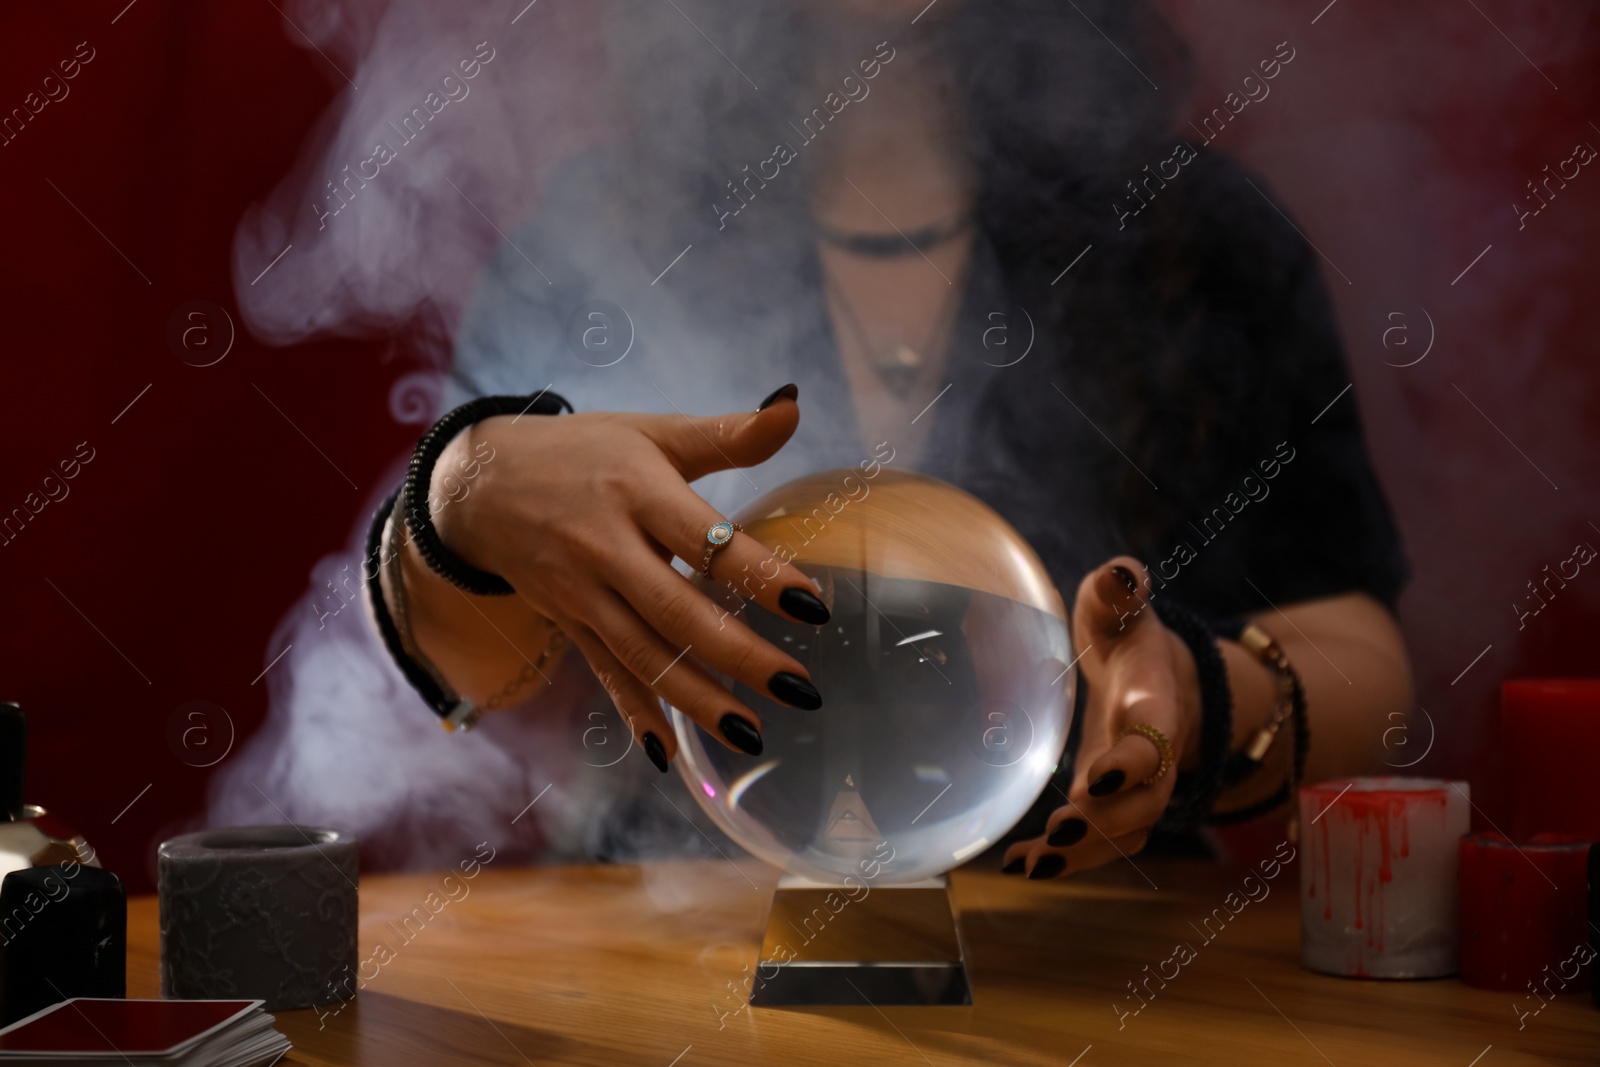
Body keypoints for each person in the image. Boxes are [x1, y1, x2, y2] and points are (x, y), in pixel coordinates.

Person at [219, 0, 1413, 878]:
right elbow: (477, 677)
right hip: (676, 959)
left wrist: (1194, 699)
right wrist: (466, 499)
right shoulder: (605, 236)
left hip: (1091, 964)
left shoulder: (1196, 237)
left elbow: (1362, 645)